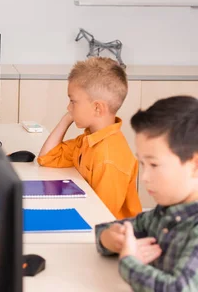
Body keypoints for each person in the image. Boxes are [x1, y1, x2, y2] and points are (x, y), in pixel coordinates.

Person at [96, 96, 198, 291]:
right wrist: (110, 239)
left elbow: (177, 288)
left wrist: (128, 261)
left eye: (153, 164)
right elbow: (111, 229)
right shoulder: (165, 212)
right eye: (142, 164)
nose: (144, 177)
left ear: (195, 165)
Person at [37, 57, 141, 219]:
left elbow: (101, 217)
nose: (68, 107)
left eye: (73, 101)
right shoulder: (89, 139)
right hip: (87, 218)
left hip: (112, 236)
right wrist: (66, 119)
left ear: (97, 108)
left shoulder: (109, 159)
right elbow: (47, 158)